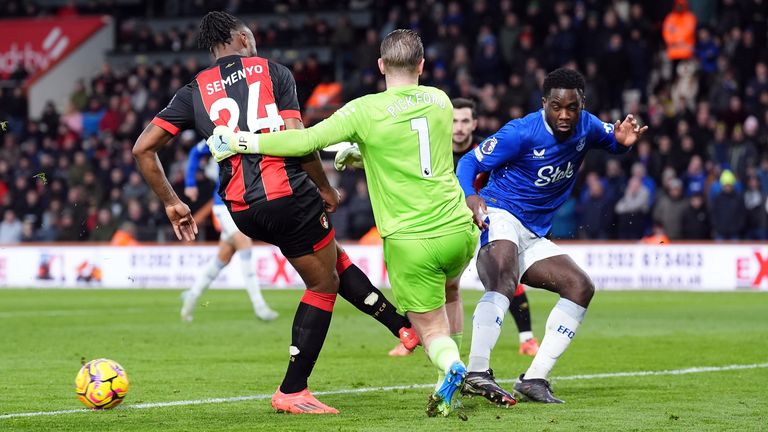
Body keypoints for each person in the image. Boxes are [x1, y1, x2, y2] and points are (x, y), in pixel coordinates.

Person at [133, 12, 417, 415]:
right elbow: (298, 142)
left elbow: (142, 149)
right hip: (287, 194)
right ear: (243, 38)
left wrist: (171, 202)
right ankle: (292, 389)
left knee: (329, 260)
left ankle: (403, 328)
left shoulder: (194, 90)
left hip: (241, 209)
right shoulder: (273, 72)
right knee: (323, 284)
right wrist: (323, 187)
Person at [209, 29, 482, 417]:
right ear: (422, 66)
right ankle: (453, 372)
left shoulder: (364, 110)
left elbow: (304, 142)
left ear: (381, 66)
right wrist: (361, 156)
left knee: (432, 332)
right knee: (451, 291)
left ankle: (450, 367)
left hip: (413, 240)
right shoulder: (439, 101)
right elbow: (412, 149)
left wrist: (241, 142)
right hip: (458, 229)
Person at [456, 68, 647, 403]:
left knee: (580, 286)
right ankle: (477, 371)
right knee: (502, 274)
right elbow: (469, 163)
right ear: (543, 103)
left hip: (533, 232)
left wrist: (624, 144)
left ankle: (534, 379)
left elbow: (613, 142)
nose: (563, 114)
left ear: (581, 105)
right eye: (556, 106)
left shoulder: (586, 125)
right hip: (500, 213)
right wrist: (472, 198)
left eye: (571, 107)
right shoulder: (520, 133)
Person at [388, 98, 540, 361]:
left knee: (504, 271)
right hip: (442, 223)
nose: (459, 127)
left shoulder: (488, 150)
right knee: (422, 278)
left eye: (465, 121)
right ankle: (411, 335)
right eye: (454, 121)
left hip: (480, 221)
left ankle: (526, 338)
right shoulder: (432, 149)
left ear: (475, 123)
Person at [182, 140, 278, 322]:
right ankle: (260, 307)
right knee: (245, 244)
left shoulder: (252, 131)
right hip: (223, 205)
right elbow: (196, 151)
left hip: (242, 204)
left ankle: (191, 299)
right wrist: (190, 183)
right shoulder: (221, 134)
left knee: (221, 259)